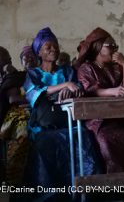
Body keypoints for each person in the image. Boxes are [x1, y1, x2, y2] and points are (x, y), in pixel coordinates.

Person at [23, 27, 99, 198]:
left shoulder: (67, 71)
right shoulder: (32, 74)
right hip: (45, 126)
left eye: (55, 45)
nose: (54, 49)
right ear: (39, 52)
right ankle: (50, 195)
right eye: (48, 47)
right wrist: (64, 86)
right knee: (45, 143)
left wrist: (72, 90)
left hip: (69, 122)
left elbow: (77, 86)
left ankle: (84, 191)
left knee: (84, 137)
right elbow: (34, 93)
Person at [76, 27, 124, 173]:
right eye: (110, 46)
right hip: (100, 121)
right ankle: (117, 185)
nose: (114, 49)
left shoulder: (116, 67)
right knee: (107, 139)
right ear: (97, 47)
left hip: (121, 117)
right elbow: (91, 91)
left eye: (115, 46)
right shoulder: (86, 68)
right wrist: (111, 91)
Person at [0, 47, 28, 185]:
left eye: (9, 59)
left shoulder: (13, 76)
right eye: (4, 59)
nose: (8, 62)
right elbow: (13, 99)